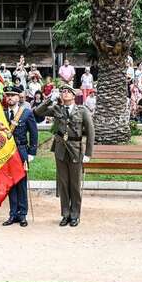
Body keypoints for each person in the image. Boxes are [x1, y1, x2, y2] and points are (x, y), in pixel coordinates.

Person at [33, 84, 94, 227]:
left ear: (73, 95)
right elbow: (38, 112)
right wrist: (50, 99)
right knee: (63, 184)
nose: (64, 93)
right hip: (61, 150)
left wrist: (88, 153)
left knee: (75, 184)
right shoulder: (57, 108)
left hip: (75, 149)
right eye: (62, 92)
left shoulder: (82, 110)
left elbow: (91, 132)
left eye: (67, 91)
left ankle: (75, 215)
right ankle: (65, 214)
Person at [1, 85, 39, 227]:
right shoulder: (1, 114)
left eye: (13, 95)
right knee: (10, 183)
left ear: (18, 97)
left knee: (21, 183)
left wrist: (32, 152)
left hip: (21, 151)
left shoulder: (26, 113)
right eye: (8, 95)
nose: (10, 98)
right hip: (7, 153)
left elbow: (34, 133)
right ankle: (13, 214)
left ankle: (22, 214)